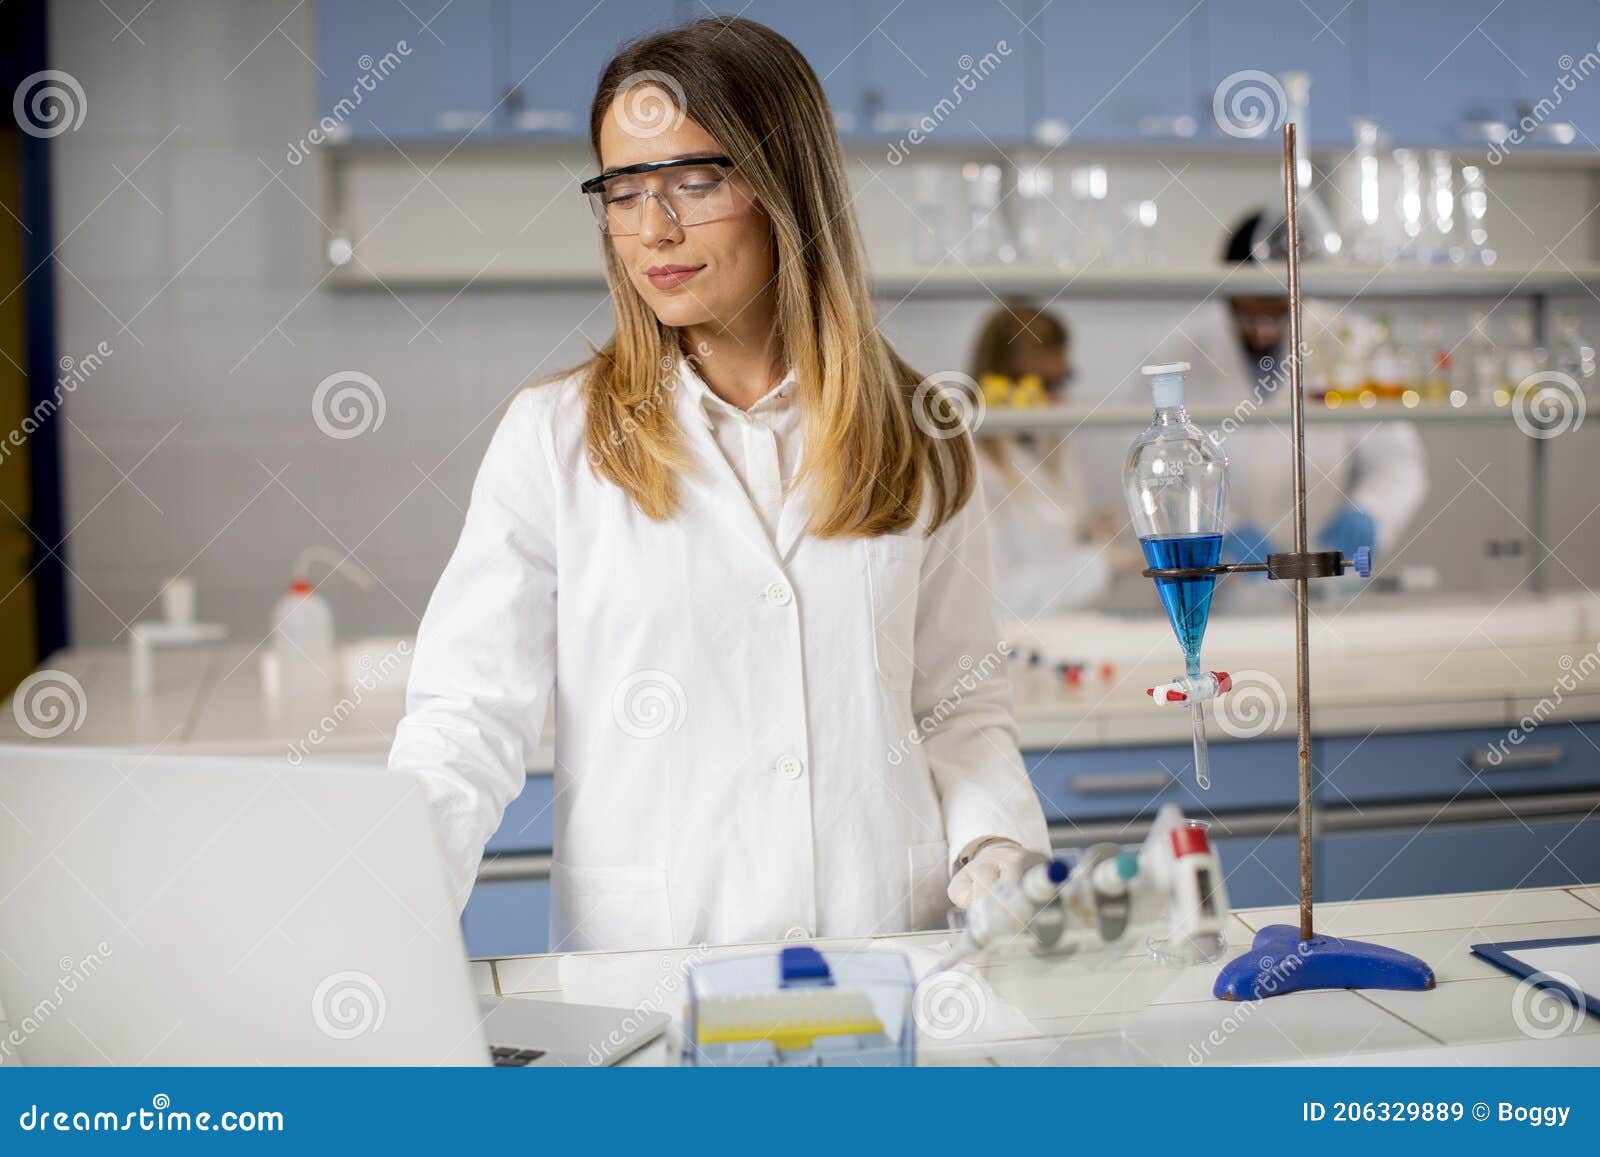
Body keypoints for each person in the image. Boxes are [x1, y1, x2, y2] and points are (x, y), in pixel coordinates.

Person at [387, 18, 1050, 953]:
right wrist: (384, 915)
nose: (653, 228)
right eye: (624, 190)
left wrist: (995, 845)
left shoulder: (920, 432)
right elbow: (467, 719)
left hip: (886, 956)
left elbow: (960, 702)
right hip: (650, 978)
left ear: (789, 186)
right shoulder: (553, 439)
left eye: (695, 181)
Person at [1155, 211, 1428, 576]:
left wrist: (1369, 513)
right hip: (1221, 583)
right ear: (1227, 294)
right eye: (1251, 316)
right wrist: (1223, 529)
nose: (1264, 331)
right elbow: (1161, 469)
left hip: (1323, 568)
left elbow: (1397, 461)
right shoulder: (1178, 348)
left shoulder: (1347, 338)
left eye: (1277, 315)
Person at [968, 301, 1128, 617]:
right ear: (1000, 383)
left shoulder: (1048, 442)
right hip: (1018, 637)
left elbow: (1051, 537)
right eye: (1045, 384)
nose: (1058, 398)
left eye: (1063, 380)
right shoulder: (974, 465)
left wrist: (1087, 532)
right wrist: (1100, 564)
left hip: (1069, 627)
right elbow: (998, 595)